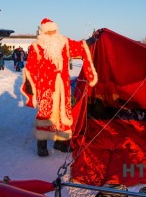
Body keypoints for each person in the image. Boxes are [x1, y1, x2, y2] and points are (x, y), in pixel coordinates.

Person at [21, 18, 98, 157]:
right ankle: (42, 145)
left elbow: (80, 46)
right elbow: (30, 67)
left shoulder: (64, 42)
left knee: (63, 114)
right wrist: (29, 84)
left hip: (63, 86)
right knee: (45, 114)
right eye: (48, 31)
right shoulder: (36, 46)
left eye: (53, 30)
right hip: (46, 86)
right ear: (43, 32)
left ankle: (61, 143)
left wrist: (91, 40)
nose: (51, 33)